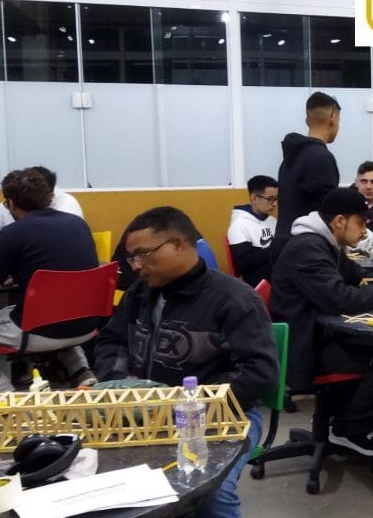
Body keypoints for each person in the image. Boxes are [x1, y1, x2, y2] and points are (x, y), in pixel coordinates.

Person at [94, 206, 278, 518]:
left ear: (178, 245)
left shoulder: (233, 299)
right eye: (132, 258)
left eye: (142, 255)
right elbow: (112, 341)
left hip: (224, 417)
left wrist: (182, 404)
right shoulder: (139, 294)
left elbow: (259, 375)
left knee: (211, 493)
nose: (136, 266)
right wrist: (120, 383)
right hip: (144, 413)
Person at [271, 188, 373, 457]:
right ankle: (350, 430)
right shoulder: (308, 248)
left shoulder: (326, 244)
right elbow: (340, 299)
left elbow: (356, 275)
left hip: (316, 332)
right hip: (304, 347)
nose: (365, 231)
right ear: (340, 221)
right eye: (361, 222)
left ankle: (343, 421)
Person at [0, 168, 99, 390]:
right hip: (87, 326)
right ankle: (81, 371)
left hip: (38, 331)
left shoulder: (12, 233)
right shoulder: (79, 224)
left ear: (10, 204)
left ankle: (5, 392)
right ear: (48, 197)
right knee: (59, 310)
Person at [269, 92, 341, 264]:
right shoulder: (321, 157)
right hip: (306, 252)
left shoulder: (290, 157)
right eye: (339, 120)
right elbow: (328, 211)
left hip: (283, 245)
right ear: (332, 117)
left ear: (307, 120)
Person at [0, 165, 84, 256]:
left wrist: (0, 250)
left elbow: (49, 248)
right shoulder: (9, 205)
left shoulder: (67, 208)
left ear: (51, 195)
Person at [227, 175, 278, 287]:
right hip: (260, 283)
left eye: (276, 199)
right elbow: (244, 263)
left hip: (277, 274)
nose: (274, 204)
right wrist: (275, 249)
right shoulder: (239, 225)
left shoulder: (272, 221)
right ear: (254, 198)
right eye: (270, 199)